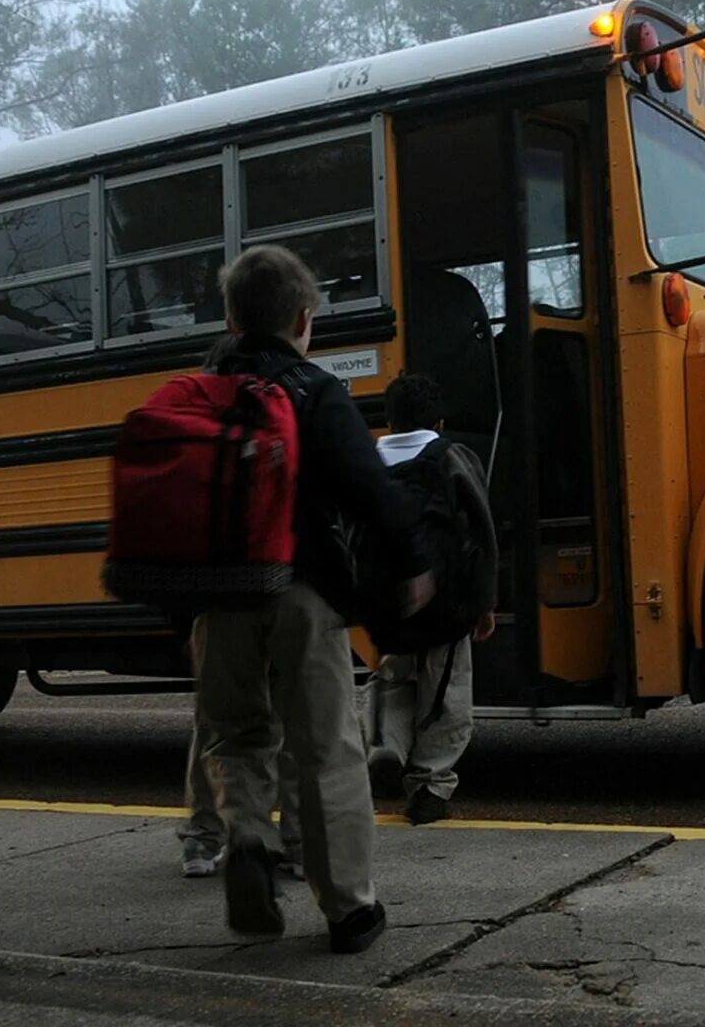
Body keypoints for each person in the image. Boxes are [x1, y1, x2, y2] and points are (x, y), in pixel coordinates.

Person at [192, 244, 433, 952]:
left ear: (233, 319)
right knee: (326, 748)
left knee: (236, 737)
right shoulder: (314, 390)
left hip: (218, 600)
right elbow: (372, 489)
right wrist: (414, 563)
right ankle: (349, 909)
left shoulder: (199, 395)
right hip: (302, 592)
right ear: (304, 319)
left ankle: (243, 839)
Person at [177, 333, 300, 880]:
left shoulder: (187, 426)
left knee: (218, 726)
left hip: (213, 599)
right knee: (294, 720)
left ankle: (205, 837)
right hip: (281, 584)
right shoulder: (286, 408)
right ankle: (295, 841)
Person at [364, 372, 498, 826]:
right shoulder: (453, 457)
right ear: (438, 420)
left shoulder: (368, 462)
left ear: (388, 417)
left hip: (388, 605)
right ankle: (430, 786)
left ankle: (386, 748)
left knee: (394, 679)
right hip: (447, 603)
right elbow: (481, 531)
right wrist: (484, 602)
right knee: (446, 691)